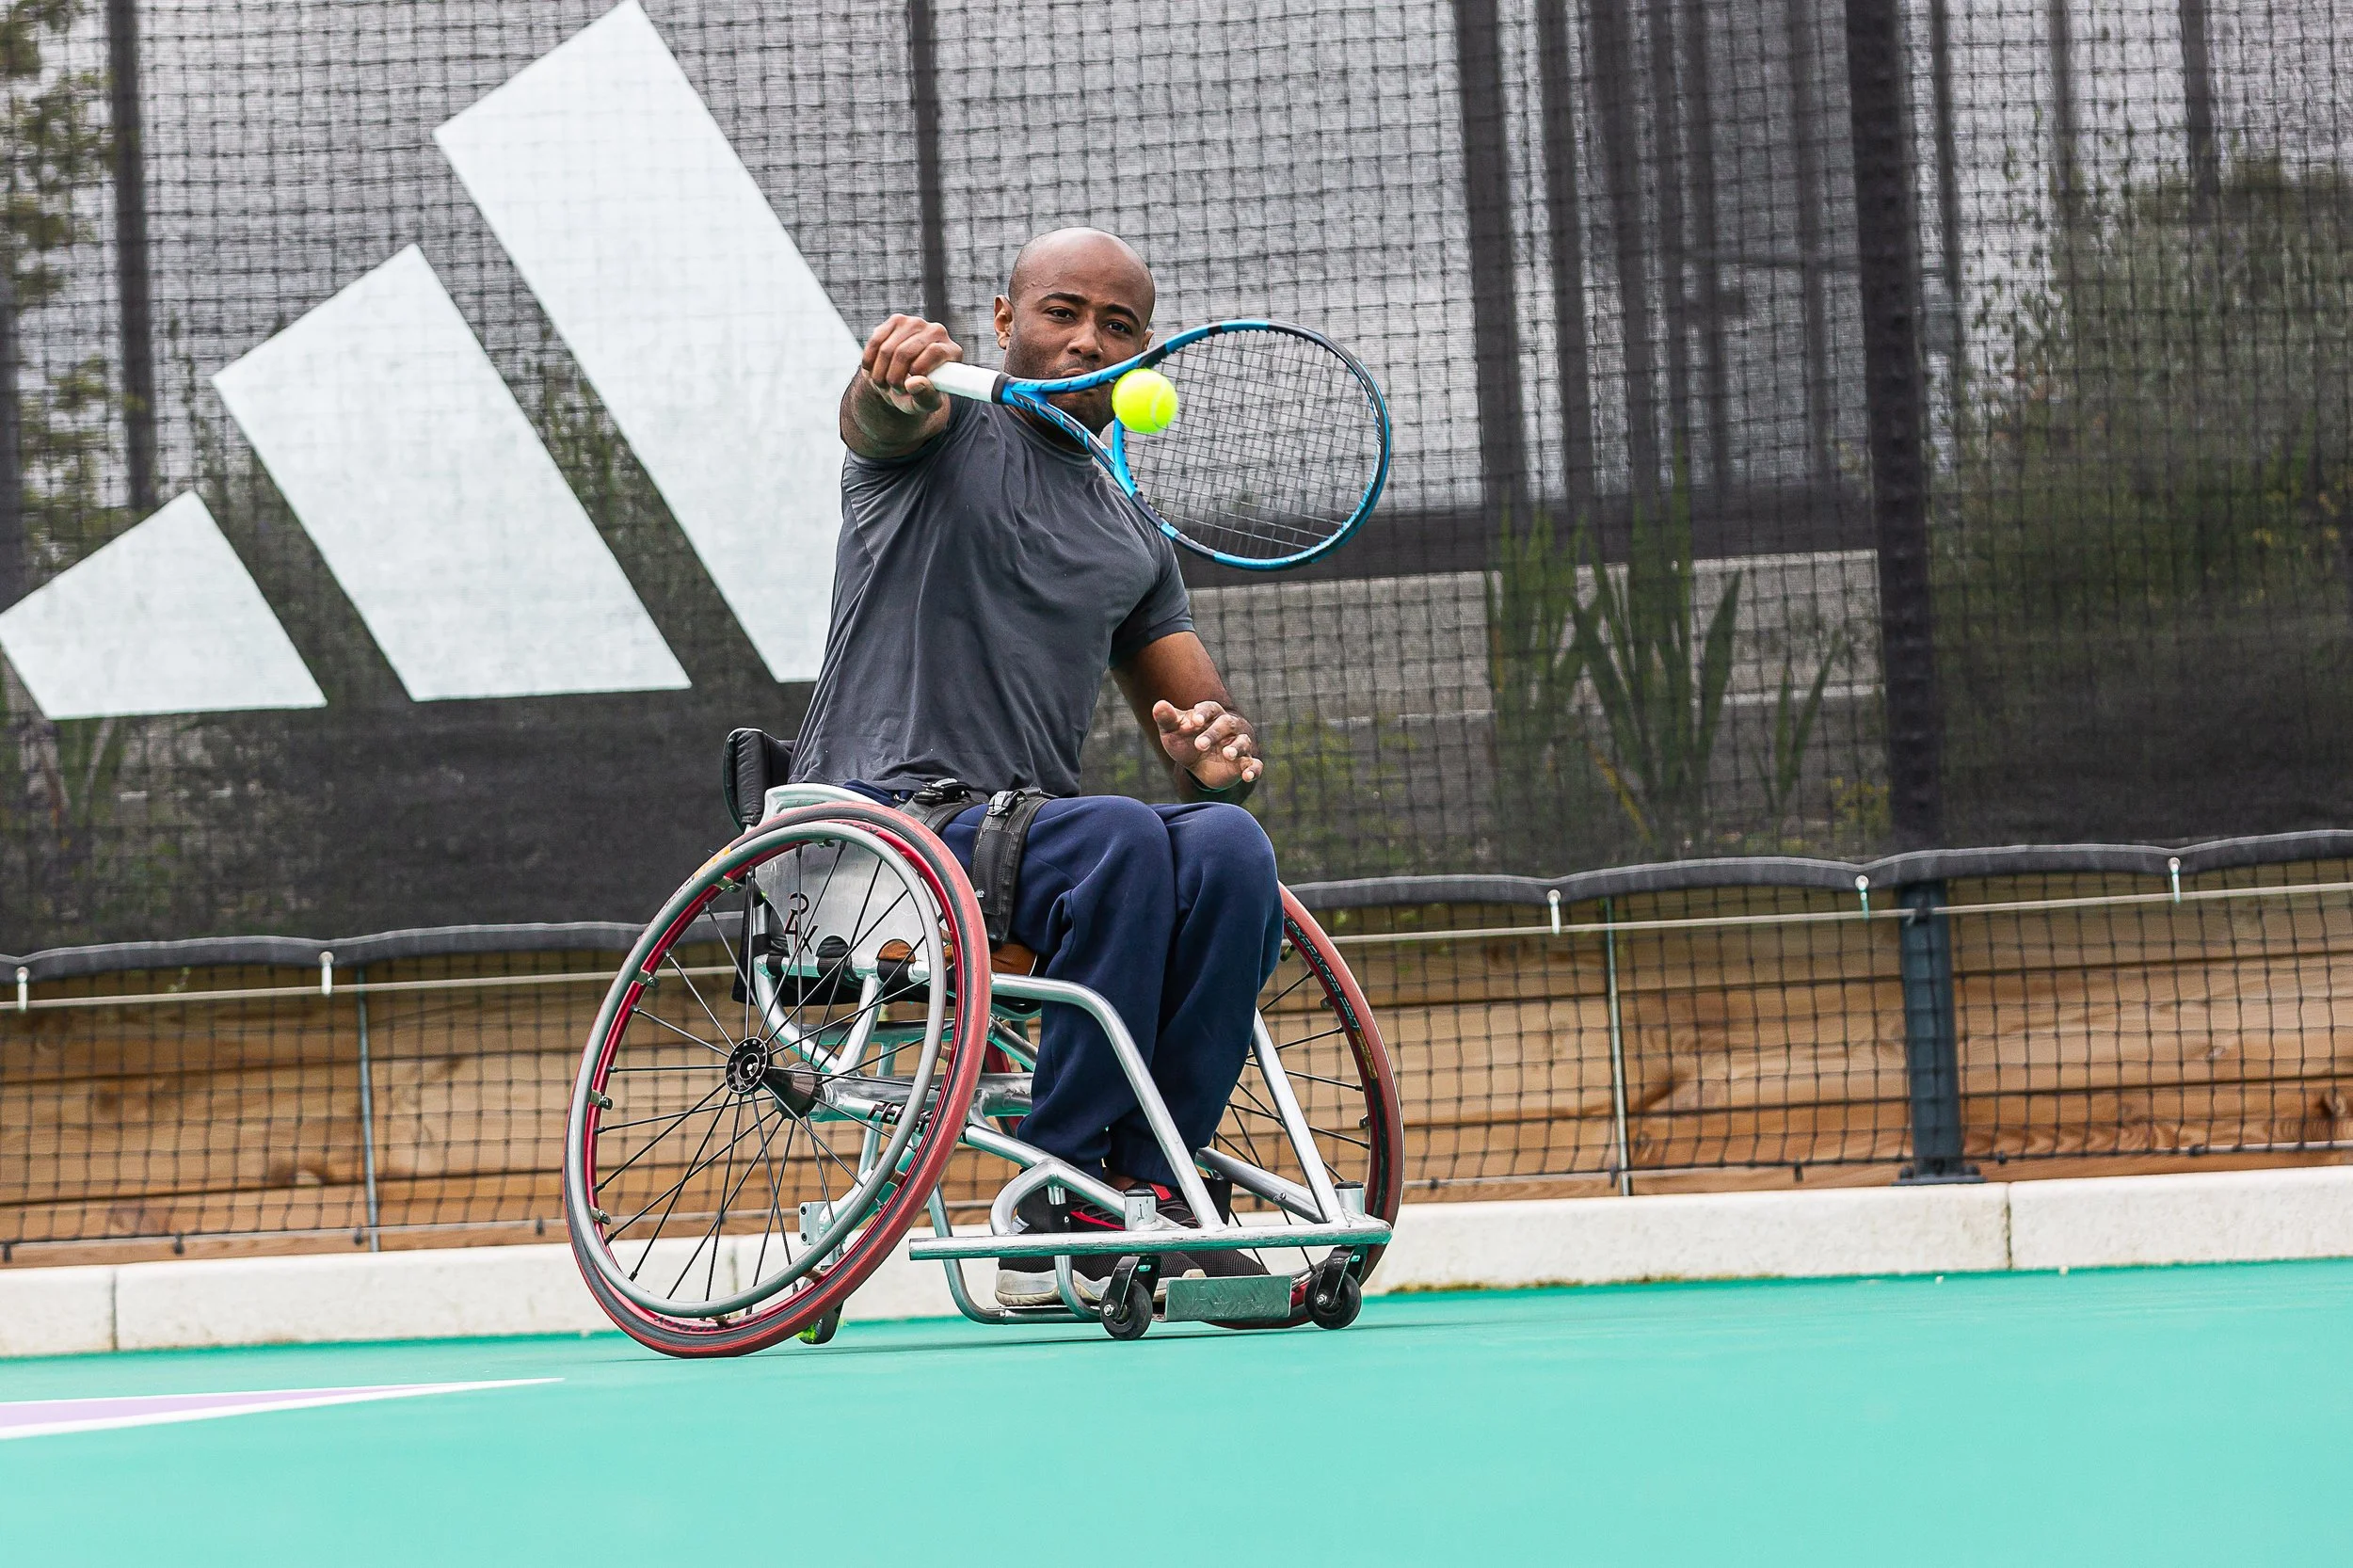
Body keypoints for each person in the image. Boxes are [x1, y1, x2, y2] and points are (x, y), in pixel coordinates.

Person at [792, 227, 1279, 1307]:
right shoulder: (939, 431)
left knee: (1230, 847)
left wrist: (1214, 761)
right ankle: (1050, 1202)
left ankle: (1151, 1184)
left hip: (1031, 850)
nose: (1086, 340)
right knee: (1115, 834)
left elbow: (1206, 731)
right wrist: (889, 381)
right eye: (1061, 312)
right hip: (880, 832)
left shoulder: (1131, 535)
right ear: (1005, 321)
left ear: (1143, 355)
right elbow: (879, 417)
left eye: (1117, 325)